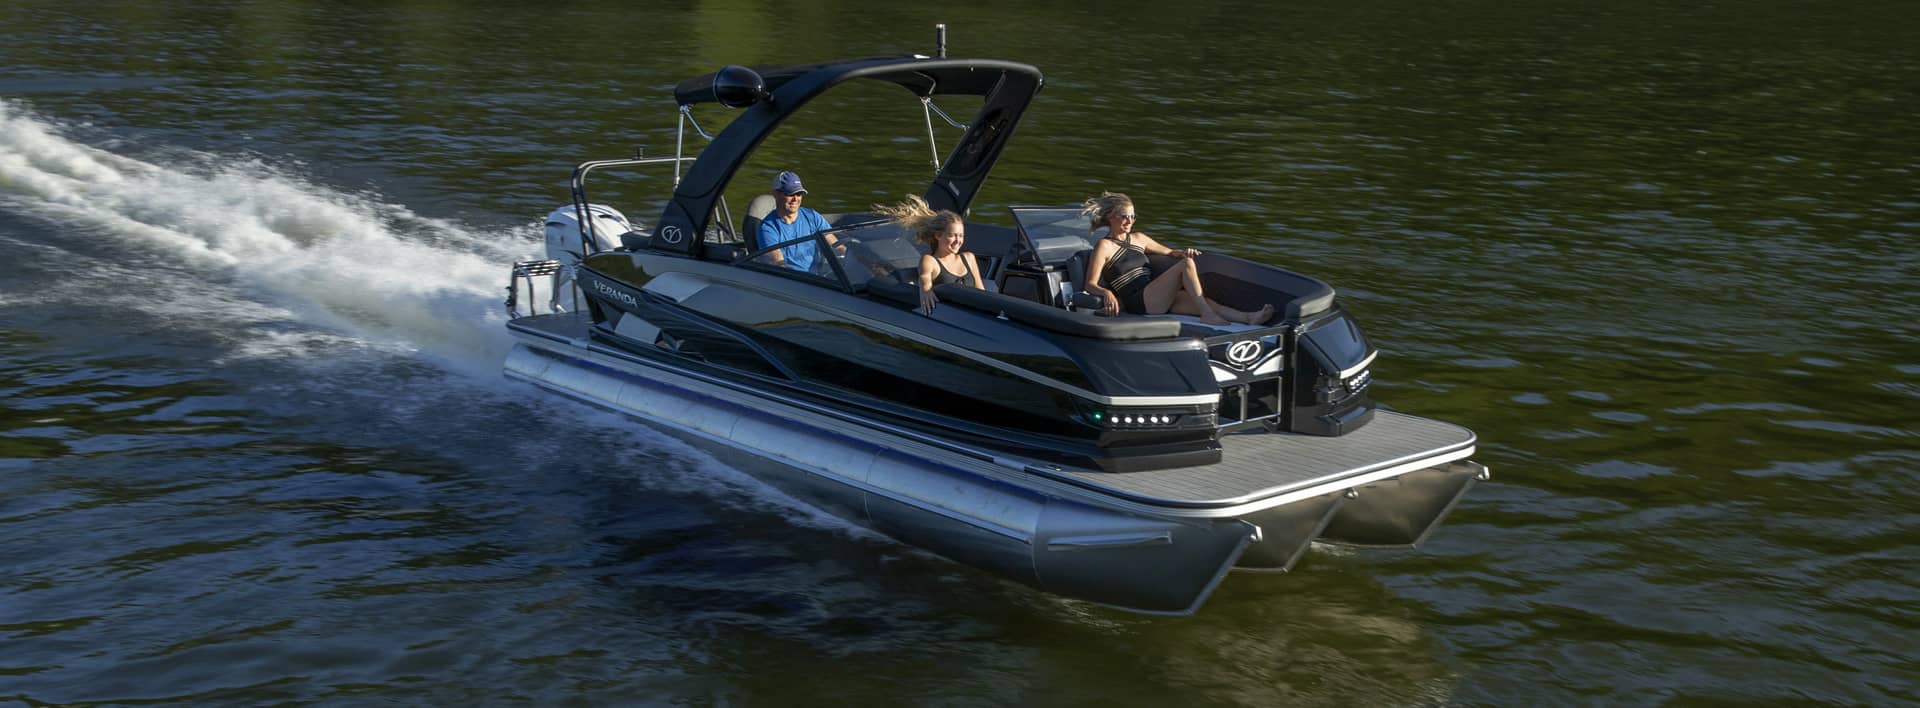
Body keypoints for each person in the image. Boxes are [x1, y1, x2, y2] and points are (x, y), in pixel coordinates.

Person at [1081, 191, 1274, 325]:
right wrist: (1106, 293)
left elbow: (1170, 253)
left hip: (1156, 295)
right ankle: (1207, 315)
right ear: (1111, 217)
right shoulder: (1104, 246)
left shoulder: (1140, 238)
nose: (1130, 221)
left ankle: (1248, 318)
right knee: (1186, 266)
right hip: (1139, 301)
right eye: (1124, 216)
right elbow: (1090, 284)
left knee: (1204, 300)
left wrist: (1184, 252)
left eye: (1133, 216)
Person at [873, 194, 981, 315]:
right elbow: (924, 278)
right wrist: (925, 290)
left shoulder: (969, 258)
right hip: (950, 315)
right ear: (938, 235)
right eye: (952, 235)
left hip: (974, 313)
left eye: (961, 236)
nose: (958, 240)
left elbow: (981, 291)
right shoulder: (930, 260)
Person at [756, 170, 841, 273]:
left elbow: (836, 246)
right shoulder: (768, 228)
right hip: (792, 279)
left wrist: (852, 256)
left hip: (819, 278)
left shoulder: (813, 217)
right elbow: (778, 264)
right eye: (790, 193)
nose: (795, 199)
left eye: (799, 194)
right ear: (775, 194)